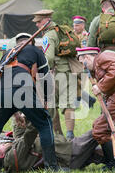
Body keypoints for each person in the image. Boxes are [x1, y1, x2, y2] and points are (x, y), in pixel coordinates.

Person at [0, 32, 59, 173]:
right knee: (44, 124)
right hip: (23, 88)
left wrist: (14, 112)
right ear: (31, 43)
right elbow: (46, 77)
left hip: (3, 91)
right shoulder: (36, 51)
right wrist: (46, 99)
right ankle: (52, 168)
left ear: (17, 43)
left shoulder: (7, 54)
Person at [33, 9, 82, 140]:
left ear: (46, 20)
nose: (37, 25)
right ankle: (70, 135)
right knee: (69, 105)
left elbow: (47, 58)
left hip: (56, 73)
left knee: (52, 106)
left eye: (38, 22)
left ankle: (59, 137)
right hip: (70, 70)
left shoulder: (48, 36)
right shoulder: (61, 30)